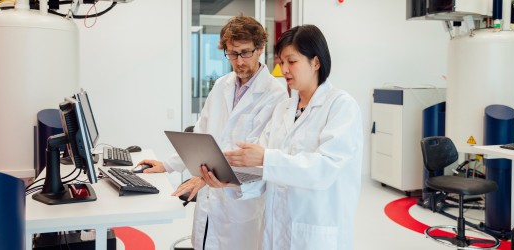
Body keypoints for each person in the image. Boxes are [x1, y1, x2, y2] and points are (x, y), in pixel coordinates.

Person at [203, 24, 363, 250]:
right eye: (281, 62)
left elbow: (324, 169)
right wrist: (229, 181)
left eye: (292, 61)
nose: (284, 70)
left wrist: (266, 158)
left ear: (315, 62)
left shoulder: (340, 106)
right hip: (276, 229)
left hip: (315, 230)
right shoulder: (284, 109)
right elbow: (261, 171)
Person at [136, 15, 288, 250]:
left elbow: (262, 156)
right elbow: (200, 136)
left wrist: (219, 176)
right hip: (210, 196)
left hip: (242, 202)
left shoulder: (276, 95)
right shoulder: (222, 85)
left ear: (260, 49)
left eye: (245, 52)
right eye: (232, 54)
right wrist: (168, 165)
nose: (238, 62)